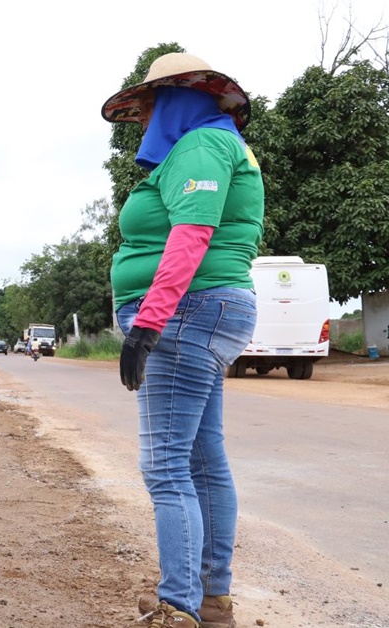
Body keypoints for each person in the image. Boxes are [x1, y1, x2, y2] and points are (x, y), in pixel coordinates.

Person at [103, 52, 262, 628]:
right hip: (200, 310)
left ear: (177, 100)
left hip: (186, 311)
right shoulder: (213, 146)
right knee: (201, 459)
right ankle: (211, 599)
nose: (144, 124)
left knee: (167, 466)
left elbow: (191, 237)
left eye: (147, 109)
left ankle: (178, 605)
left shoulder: (201, 147)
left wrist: (147, 322)